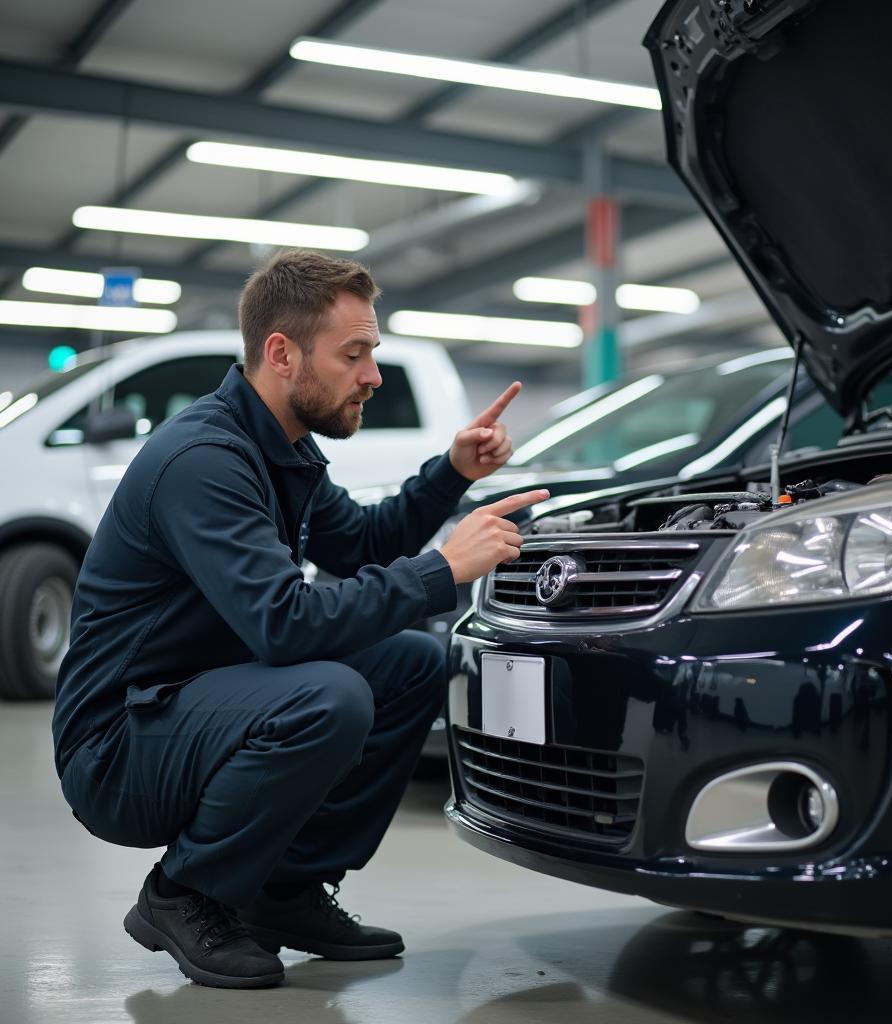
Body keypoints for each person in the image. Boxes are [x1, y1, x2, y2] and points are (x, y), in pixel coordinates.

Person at [51, 248, 548, 990]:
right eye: (354, 354)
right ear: (281, 354)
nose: (372, 376)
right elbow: (283, 624)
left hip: (195, 703)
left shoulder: (282, 449)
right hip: (118, 745)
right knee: (330, 695)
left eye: (372, 354)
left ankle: (284, 891)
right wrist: (444, 569)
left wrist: (451, 474)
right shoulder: (205, 460)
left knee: (411, 662)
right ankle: (182, 894)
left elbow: (364, 544)